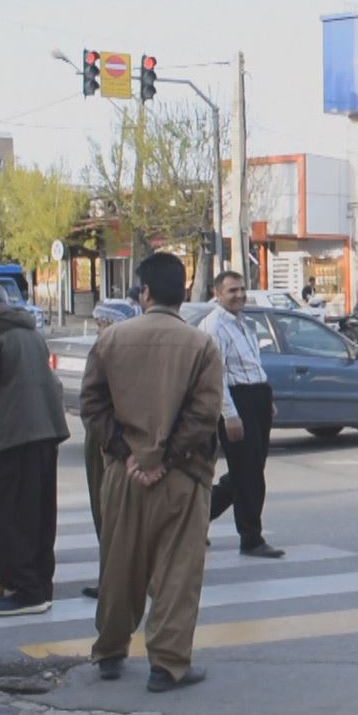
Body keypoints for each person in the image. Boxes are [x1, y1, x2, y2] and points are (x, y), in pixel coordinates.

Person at [80, 253, 225, 691]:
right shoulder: (201, 345)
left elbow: (92, 405)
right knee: (179, 571)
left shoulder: (111, 340)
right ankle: (167, 663)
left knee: (118, 563)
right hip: (183, 475)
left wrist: (127, 453)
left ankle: (109, 651)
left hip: (123, 474)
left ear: (144, 293)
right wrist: (164, 458)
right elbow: (204, 415)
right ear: (183, 293)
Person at [0, 281, 70, 617]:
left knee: (4, 517)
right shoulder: (29, 330)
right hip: (46, 430)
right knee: (38, 514)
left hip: (13, 434)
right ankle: (39, 585)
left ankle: (26, 591)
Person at [200, 271, 284, 559]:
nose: (239, 295)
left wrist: (266, 399)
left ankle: (197, 518)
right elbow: (217, 375)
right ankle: (251, 538)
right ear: (217, 293)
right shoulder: (214, 326)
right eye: (232, 290)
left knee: (248, 471)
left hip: (256, 396)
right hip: (237, 400)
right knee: (248, 473)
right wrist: (230, 414)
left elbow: (251, 364)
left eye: (241, 289)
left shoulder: (243, 322)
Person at [81, 300, 138, 600]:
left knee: (109, 511)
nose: (98, 328)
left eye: (102, 322)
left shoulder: (109, 349)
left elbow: (92, 402)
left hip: (110, 439)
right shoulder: (131, 348)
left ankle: (115, 582)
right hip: (120, 438)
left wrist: (112, 443)